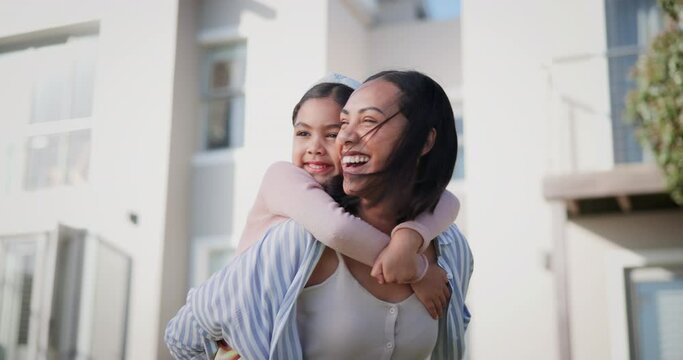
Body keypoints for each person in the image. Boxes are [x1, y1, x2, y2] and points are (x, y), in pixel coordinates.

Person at [165, 71, 472, 359]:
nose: (316, 148)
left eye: (333, 132)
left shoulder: (449, 247)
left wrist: (409, 237)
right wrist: (415, 268)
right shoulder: (288, 190)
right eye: (303, 133)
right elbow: (337, 229)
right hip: (239, 339)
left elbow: (445, 201)